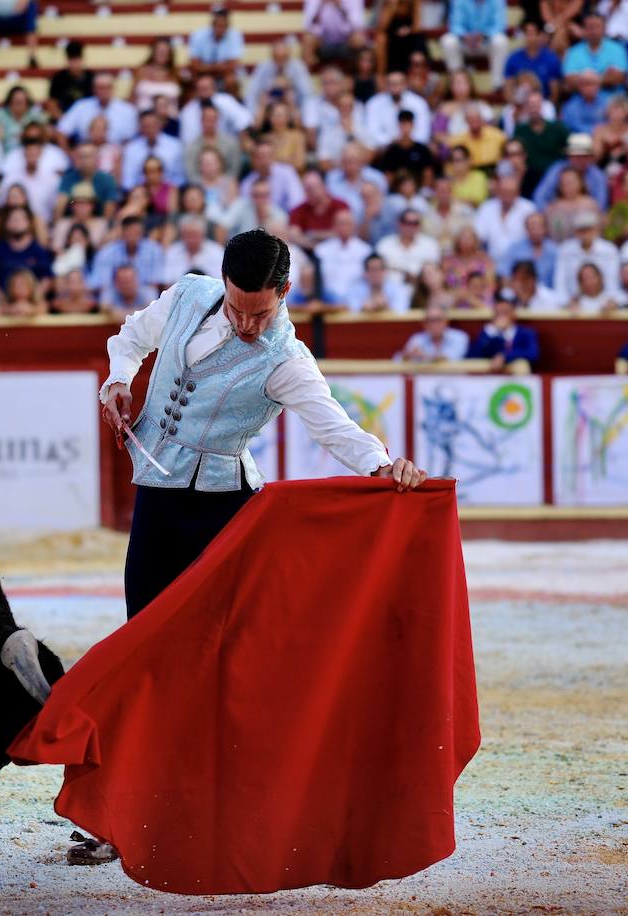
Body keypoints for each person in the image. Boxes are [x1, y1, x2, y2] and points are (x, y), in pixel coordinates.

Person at [98, 227, 423, 630]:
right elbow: (132, 336)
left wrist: (381, 466)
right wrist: (119, 381)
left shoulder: (286, 359)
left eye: (261, 313)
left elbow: (332, 425)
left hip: (222, 507)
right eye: (237, 309)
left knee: (217, 631)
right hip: (157, 490)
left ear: (284, 291)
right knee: (143, 623)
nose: (247, 324)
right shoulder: (189, 294)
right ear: (224, 280)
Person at [440, 0, 509, 89]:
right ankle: (458, 83)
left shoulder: (497, 1)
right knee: (448, 41)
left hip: (486, 43)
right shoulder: (459, 1)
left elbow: (500, 26)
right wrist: (465, 36)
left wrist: (484, 35)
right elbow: (455, 25)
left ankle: (497, 84)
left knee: (501, 41)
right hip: (465, 43)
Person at [90, 215, 163, 297]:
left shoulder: (154, 250)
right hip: (116, 295)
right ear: (123, 232)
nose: (133, 236)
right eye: (130, 232)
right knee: (106, 295)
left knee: (151, 293)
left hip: (142, 295)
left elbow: (155, 282)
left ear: (142, 232)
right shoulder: (107, 252)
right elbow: (103, 284)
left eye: (136, 232)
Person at [465, 297, 539, 372]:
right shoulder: (487, 333)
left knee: (521, 365)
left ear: (514, 314)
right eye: (498, 313)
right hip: (490, 376)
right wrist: (491, 335)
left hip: (516, 377)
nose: (502, 316)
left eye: (505, 312)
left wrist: (505, 356)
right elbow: (475, 355)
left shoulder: (526, 333)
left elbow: (533, 354)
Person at [188, 5, 244, 87]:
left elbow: (232, 65)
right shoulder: (198, 35)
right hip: (203, 74)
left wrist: (207, 67)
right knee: (193, 78)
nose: (219, 27)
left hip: (223, 74)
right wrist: (217, 67)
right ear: (212, 21)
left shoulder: (235, 35)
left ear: (228, 22)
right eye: (217, 18)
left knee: (231, 80)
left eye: (222, 17)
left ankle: (231, 100)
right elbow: (194, 65)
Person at [162, 216, 223, 286]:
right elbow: (166, 282)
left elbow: (220, 282)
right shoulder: (173, 251)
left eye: (194, 235)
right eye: (187, 235)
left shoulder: (216, 251)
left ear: (203, 234)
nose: (191, 239)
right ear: (181, 235)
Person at [399, 303, 469, 361]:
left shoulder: (459, 337)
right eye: (430, 320)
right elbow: (397, 360)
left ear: (446, 321)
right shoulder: (417, 338)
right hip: (425, 377)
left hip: (454, 377)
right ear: (424, 324)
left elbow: (449, 358)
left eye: (437, 319)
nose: (434, 324)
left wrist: (424, 356)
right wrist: (406, 356)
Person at [344, 254, 409, 312]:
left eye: (379, 269)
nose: (376, 273)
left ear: (385, 271)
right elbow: (352, 312)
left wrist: (386, 306)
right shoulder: (354, 290)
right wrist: (363, 309)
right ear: (365, 273)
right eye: (372, 269)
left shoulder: (398, 289)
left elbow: (401, 312)